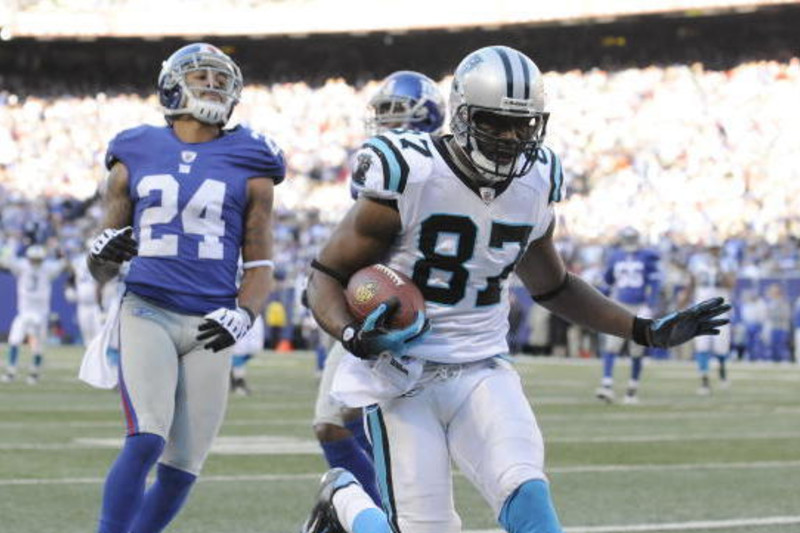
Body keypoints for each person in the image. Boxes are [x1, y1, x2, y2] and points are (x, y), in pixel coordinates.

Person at [305, 45, 729, 533]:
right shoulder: (412, 172)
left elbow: (555, 286)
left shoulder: (537, 180)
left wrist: (646, 330)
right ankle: (344, 500)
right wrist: (353, 336)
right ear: (462, 116)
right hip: (400, 375)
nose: (510, 138)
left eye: (522, 125)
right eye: (494, 122)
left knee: (529, 500)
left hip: (482, 367)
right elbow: (325, 275)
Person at [85, 43, 283, 533]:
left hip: (212, 324)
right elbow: (102, 263)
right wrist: (100, 256)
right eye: (202, 78)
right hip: (148, 308)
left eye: (220, 80)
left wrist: (245, 313)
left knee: (183, 467)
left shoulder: (254, 157)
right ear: (173, 84)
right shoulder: (133, 147)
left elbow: (259, 262)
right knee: (147, 437)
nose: (213, 87)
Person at [311, 70, 446, 507]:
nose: (385, 122)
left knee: (354, 422)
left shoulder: (424, 168)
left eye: (395, 112)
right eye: (382, 113)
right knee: (340, 420)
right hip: (372, 304)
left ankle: (388, 513)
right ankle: (387, 510)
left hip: (402, 311)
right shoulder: (395, 162)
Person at [595, 227, 661, 404]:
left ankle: (632, 389)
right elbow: (608, 281)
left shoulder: (648, 255)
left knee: (637, 348)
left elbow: (655, 283)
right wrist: (602, 299)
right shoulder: (615, 256)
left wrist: (650, 305)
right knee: (611, 345)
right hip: (620, 303)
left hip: (640, 305)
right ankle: (607, 384)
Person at [0, 244, 67, 384]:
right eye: (33, 259)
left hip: (40, 313)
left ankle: (34, 373)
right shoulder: (26, 266)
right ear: (28, 258)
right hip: (24, 311)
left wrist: (61, 255)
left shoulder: (46, 268)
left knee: (38, 345)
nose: (35, 262)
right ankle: (11, 371)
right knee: (14, 339)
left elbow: (63, 264)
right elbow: (6, 260)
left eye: (38, 259)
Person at [685, 242, 736, 394]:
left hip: (720, 309)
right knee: (702, 345)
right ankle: (704, 380)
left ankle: (722, 369)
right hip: (701, 308)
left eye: (716, 248)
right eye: (711, 248)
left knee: (721, 347)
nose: (714, 251)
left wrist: (720, 267)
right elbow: (691, 284)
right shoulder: (696, 261)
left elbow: (731, 284)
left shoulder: (728, 262)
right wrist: (684, 301)